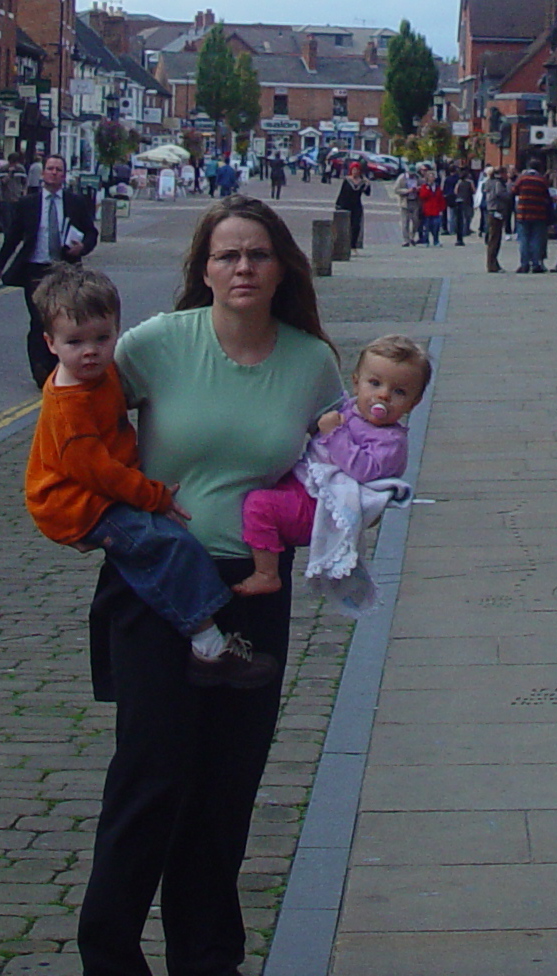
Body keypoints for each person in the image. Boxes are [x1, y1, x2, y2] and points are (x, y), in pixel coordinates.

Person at [78, 198, 343, 976]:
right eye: (226, 256)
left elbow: (340, 463)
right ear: (202, 268)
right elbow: (72, 417)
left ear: (281, 265)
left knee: (226, 787)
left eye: (257, 254)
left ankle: (207, 957)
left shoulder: (311, 361)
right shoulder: (158, 345)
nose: (242, 269)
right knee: (152, 774)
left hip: (254, 588)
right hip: (157, 583)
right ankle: (110, 955)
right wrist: (92, 510)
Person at [22, 264, 275, 688]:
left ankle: (211, 630)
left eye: (102, 339)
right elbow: (101, 474)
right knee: (163, 546)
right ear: (50, 343)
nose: (90, 352)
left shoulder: (101, 375)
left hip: (101, 490)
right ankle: (210, 647)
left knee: (159, 546)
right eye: (74, 342)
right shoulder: (69, 409)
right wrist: (153, 496)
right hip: (76, 501)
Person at [237, 333, 426, 607]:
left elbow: (364, 470)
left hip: (321, 505)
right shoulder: (351, 410)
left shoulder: (391, 441)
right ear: (356, 382)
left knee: (258, 505)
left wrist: (335, 433)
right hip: (306, 483)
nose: (383, 395)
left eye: (399, 392)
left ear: (414, 402)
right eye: (374, 383)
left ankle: (266, 573)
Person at [0, 152, 100, 388]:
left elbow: (92, 232)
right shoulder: (28, 204)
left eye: (58, 170)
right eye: (50, 168)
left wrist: (82, 248)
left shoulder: (75, 202)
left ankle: (58, 366)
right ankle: (40, 370)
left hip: (64, 269)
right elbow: (13, 237)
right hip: (35, 269)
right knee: (38, 320)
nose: (54, 173)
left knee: (61, 320)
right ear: (42, 173)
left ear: (64, 175)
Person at [511, 163, 551, 273]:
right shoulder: (542, 180)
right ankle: (536, 264)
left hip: (523, 213)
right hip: (538, 213)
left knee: (524, 239)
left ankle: (524, 264)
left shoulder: (522, 179)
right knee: (536, 239)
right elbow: (547, 196)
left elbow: (513, 191)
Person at [479, 165, 509, 273]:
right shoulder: (498, 183)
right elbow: (500, 194)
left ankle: (492, 263)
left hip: (491, 211)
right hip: (496, 211)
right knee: (495, 240)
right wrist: (509, 193)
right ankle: (492, 264)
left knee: (493, 239)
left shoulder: (489, 182)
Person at [335, 165, 367, 253]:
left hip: (356, 206)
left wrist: (367, 184)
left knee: (356, 226)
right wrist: (338, 204)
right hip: (346, 205)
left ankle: (353, 245)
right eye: (353, 170)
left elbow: (367, 193)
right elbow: (342, 192)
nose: (355, 172)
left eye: (356, 170)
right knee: (345, 226)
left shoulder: (362, 182)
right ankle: (343, 245)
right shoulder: (347, 180)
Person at [416, 171, 446, 247]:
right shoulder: (424, 187)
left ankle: (436, 241)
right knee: (426, 227)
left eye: (433, 177)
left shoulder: (437, 187)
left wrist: (441, 209)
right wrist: (428, 189)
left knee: (436, 227)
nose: (432, 178)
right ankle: (426, 241)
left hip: (436, 210)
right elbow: (423, 196)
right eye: (430, 177)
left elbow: (441, 198)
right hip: (427, 210)